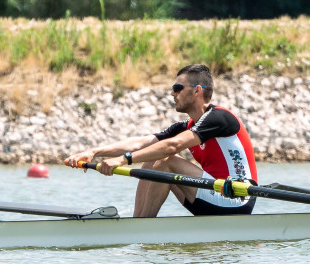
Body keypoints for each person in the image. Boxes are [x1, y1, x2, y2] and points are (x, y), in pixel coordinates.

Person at [63, 63, 257, 217]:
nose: (173, 93)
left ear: (197, 90)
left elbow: (173, 145)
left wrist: (123, 160)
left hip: (236, 198)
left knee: (166, 159)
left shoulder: (219, 118)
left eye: (177, 88)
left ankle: (142, 228)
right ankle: (138, 221)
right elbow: (140, 143)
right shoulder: (187, 126)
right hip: (212, 195)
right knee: (153, 155)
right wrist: (94, 152)